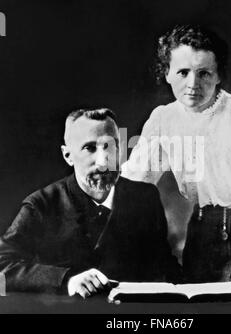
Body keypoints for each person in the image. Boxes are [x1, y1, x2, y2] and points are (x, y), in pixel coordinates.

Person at [122, 25, 231, 299]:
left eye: (204, 73)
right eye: (183, 72)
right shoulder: (163, 119)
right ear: (167, 73)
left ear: (218, 76)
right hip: (203, 232)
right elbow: (134, 184)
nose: (193, 84)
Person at [0, 108, 180, 298]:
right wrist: (66, 280)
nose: (103, 162)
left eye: (110, 146)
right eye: (90, 148)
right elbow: (2, 264)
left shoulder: (145, 197)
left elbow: (163, 265)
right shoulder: (41, 205)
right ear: (67, 155)